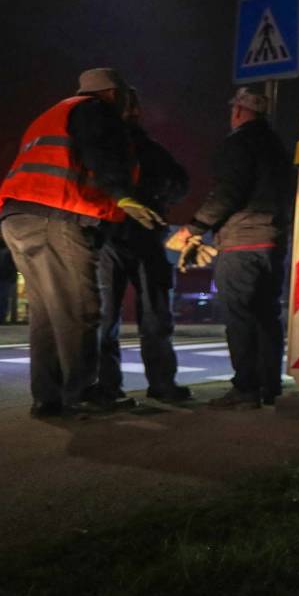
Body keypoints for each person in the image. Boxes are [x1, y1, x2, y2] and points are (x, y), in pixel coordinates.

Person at [0, 68, 159, 418]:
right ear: (113, 93)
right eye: (127, 96)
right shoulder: (95, 111)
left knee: (48, 314)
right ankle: (83, 393)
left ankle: (48, 398)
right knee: (81, 308)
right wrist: (123, 196)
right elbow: (101, 153)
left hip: (18, 217)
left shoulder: (53, 113)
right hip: (56, 217)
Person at [169, 85, 292, 410]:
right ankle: (270, 385)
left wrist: (194, 229)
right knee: (267, 315)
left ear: (238, 112)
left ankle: (245, 389)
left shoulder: (238, 143)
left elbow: (227, 192)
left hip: (241, 242)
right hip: (273, 242)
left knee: (239, 316)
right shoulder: (277, 147)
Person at [93, 86, 192, 403]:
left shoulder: (107, 145)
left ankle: (108, 387)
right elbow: (179, 184)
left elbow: (178, 182)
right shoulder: (149, 148)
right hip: (140, 236)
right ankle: (161, 385)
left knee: (106, 318)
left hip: (112, 236)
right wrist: (156, 199)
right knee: (150, 315)